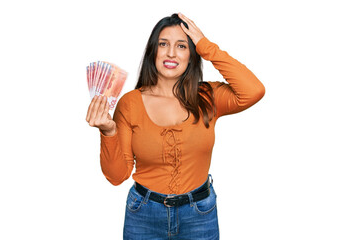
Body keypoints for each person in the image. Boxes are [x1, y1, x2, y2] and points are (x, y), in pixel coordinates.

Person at [86, 13, 265, 240]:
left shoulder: (208, 97)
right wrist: (108, 132)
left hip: (200, 214)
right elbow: (116, 176)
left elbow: (254, 91)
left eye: (181, 46)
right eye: (163, 44)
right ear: (153, 52)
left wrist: (205, 45)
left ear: (192, 55)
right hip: (143, 214)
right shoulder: (130, 103)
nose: (171, 53)